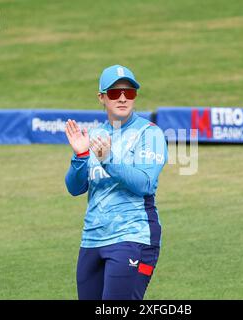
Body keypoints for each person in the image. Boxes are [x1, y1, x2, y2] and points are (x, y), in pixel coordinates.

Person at [64, 65, 168, 300]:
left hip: (133, 237)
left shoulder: (149, 134)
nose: (122, 98)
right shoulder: (93, 135)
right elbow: (74, 188)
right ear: (101, 98)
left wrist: (108, 160)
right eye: (114, 93)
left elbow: (144, 183)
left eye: (129, 92)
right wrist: (80, 157)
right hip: (92, 239)